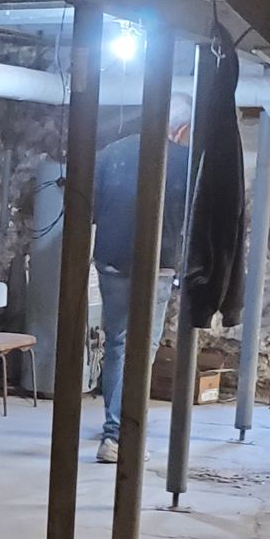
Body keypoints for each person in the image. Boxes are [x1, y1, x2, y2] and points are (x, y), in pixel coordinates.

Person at [93, 92, 194, 464]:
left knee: (117, 345)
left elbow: (87, 206)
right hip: (159, 265)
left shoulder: (111, 153)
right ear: (180, 129)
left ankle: (113, 422)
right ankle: (117, 434)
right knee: (142, 349)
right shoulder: (184, 161)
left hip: (111, 260)